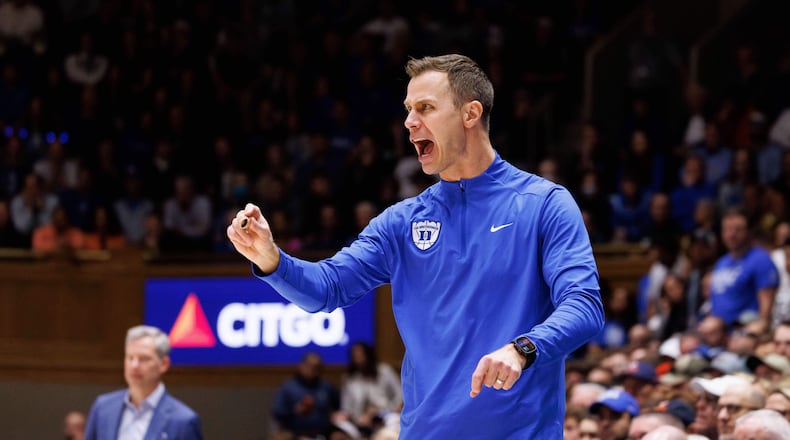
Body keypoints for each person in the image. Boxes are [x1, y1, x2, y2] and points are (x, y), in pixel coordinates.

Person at [227, 54, 604, 437]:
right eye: (409, 109)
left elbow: (584, 306)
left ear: (470, 113)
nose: (409, 123)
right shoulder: (402, 221)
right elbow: (328, 287)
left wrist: (523, 349)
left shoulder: (544, 204)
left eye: (425, 108)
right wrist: (272, 260)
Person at [84, 325, 203, 440]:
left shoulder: (183, 420)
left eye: (144, 359)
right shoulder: (103, 408)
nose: (134, 366)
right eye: (130, 358)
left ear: (164, 364)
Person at [709, 207, 778, 332]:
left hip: (743, 333)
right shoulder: (721, 262)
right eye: (727, 229)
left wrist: (756, 331)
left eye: (737, 229)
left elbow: (766, 311)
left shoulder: (760, 260)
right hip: (717, 334)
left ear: (749, 232)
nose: (731, 234)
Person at [271, 352, 341, 438]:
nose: (312, 369)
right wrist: (295, 411)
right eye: (309, 366)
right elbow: (277, 413)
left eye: (317, 367)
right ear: (301, 366)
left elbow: (339, 409)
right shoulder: (288, 388)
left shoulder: (327, 388)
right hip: (294, 432)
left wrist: (335, 416)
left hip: (324, 432)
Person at [339, 342, 402, 434]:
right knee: (341, 427)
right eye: (355, 357)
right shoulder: (350, 380)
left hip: (386, 415)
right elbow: (346, 409)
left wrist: (379, 411)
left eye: (361, 356)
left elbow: (400, 395)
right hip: (359, 421)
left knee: (395, 422)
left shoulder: (385, 371)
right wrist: (356, 418)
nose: (359, 360)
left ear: (369, 356)